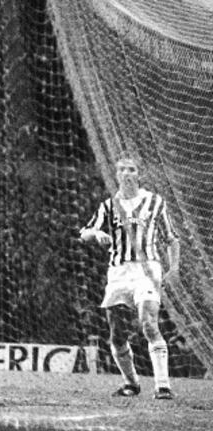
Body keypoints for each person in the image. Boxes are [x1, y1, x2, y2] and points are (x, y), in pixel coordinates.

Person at [80, 155, 180, 400]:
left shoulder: (155, 203)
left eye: (131, 169)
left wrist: (174, 267)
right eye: (122, 169)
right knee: (117, 332)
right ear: (116, 175)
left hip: (147, 270)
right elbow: (84, 232)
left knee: (148, 322)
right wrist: (97, 234)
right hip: (118, 272)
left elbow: (172, 238)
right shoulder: (108, 206)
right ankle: (131, 383)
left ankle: (163, 386)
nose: (126, 173)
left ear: (139, 174)